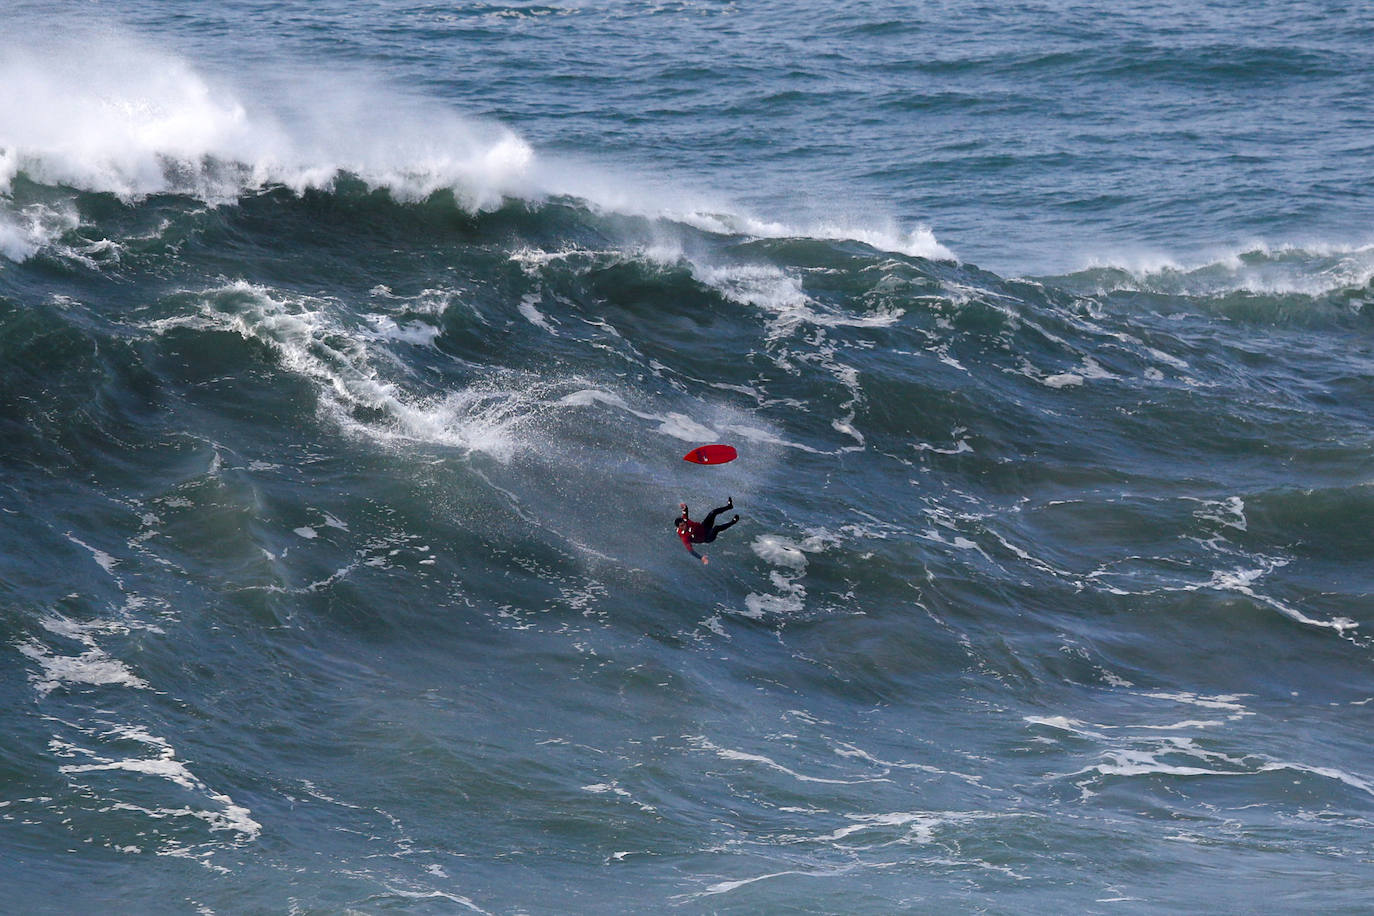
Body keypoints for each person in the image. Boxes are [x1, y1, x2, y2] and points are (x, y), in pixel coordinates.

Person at [675, 497, 739, 565]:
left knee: (713, 512)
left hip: (704, 527)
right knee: (716, 528)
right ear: (678, 527)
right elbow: (691, 551)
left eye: (684, 524)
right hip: (707, 537)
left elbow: (685, 511)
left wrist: (684, 507)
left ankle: (729, 506)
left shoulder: (685, 520)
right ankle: (733, 522)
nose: (684, 526)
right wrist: (701, 558)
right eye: (682, 526)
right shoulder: (684, 537)